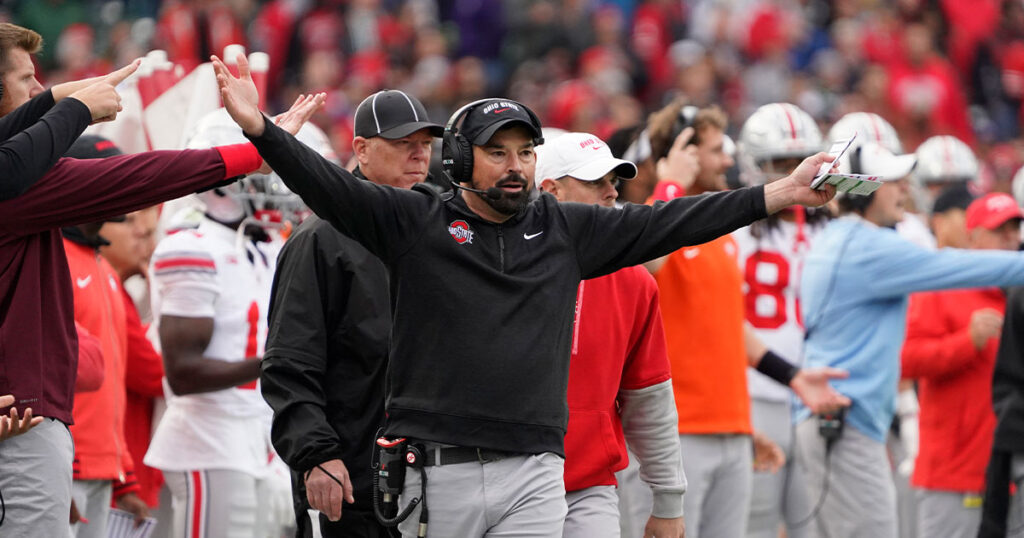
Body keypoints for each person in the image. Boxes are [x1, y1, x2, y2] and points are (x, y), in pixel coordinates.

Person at [214, 53, 837, 538]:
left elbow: (670, 222)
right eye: (497, 153)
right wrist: (260, 131)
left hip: (538, 467)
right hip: (439, 469)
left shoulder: (562, 228)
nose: (515, 166)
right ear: (460, 161)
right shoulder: (417, 222)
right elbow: (329, 188)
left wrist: (780, 192)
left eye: (525, 153)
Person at [0, 22, 322, 535]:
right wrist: (254, 152)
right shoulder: (21, 187)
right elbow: (139, 177)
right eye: (26, 81)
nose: (41, 91)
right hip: (75, 433)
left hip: (107, 440)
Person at [642, 101, 845, 538]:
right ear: (684, 151)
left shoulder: (718, 233)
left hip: (732, 423)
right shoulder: (655, 218)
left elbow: (729, 325)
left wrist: (791, 376)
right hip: (681, 427)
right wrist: (671, 184)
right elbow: (644, 262)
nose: (729, 159)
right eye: (716, 150)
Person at [795, 151, 1024, 538]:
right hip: (845, 421)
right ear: (862, 188)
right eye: (894, 182)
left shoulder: (844, 237)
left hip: (840, 419)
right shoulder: (867, 246)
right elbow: (958, 267)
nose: (905, 190)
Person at [262, 89, 441, 538]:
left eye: (426, 143)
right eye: (404, 143)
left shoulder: (442, 228)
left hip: (434, 476)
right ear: (361, 149)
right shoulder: (320, 240)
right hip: (349, 477)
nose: (419, 154)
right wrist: (315, 455)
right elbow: (290, 363)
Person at [144, 108, 324, 538]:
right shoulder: (191, 247)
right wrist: (281, 364)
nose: (279, 183)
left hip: (259, 437)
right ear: (229, 174)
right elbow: (183, 372)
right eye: (265, 167)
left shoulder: (260, 245)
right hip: (210, 441)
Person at [534, 131, 685, 538]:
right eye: (594, 182)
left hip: (590, 486)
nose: (610, 192)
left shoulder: (633, 280)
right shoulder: (504, 263)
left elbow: (648, 396)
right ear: (551, 190)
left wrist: (668, 498)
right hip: (510, 479)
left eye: (613, 182)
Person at [733, 102, 830, 538]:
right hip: (757, 389)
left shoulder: (830, 227)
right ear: (754, 166)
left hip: (815, 389)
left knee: (814, 520)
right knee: (755, 519)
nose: (793, 173)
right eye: (780, 164)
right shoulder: (732, 227)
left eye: (800, 162)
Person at [901, 192, 1021, 538]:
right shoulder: (942, 285)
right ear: (973, 238)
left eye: (1016, 231)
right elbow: (907, 360)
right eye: (1001, 232)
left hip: (1013, 471)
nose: (1012, 241)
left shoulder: (1018, 293)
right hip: (956, 475)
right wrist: (966, 342)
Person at [61, 135, 150, 537]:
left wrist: (124, 477)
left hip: (102, 469)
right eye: (108, 178)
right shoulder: (52, 258)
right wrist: (52, 471)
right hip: (63, 467)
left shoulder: (103, 268)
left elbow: (111, 381)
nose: (120, 188)